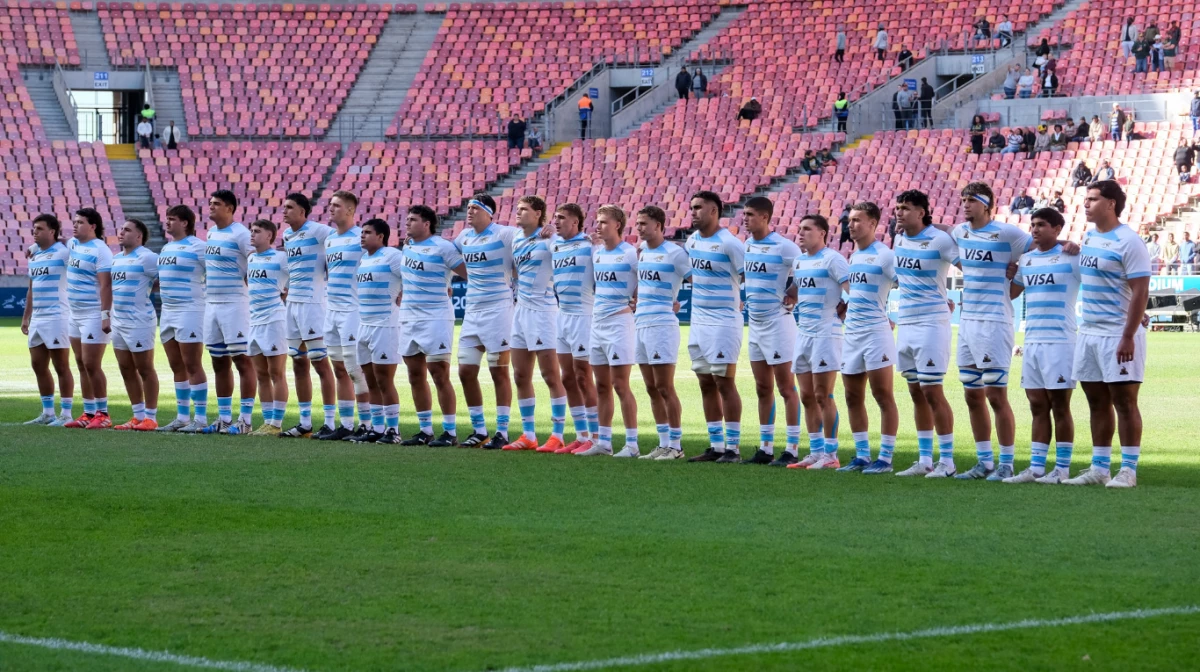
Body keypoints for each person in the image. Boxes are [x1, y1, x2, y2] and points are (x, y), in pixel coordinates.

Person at [1064, 181, 1149, 488]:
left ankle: (1128, 470)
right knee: (1096, 400)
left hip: (1118, 333)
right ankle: (1099, 468)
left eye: (1092, 199)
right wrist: (1073, 246)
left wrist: (1128, 335)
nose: (1085, 204)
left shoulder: (1129, 241)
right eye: (1085, 199)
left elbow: (1141, 290)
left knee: (1124, 401)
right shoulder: (1089, 237)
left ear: (1111, 204)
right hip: (1088, 332)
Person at [951, 182, 1033, 480]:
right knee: (972, 395)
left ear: (987, 205)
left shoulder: (1008, 233)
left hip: (994, 322)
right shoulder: (960, 232)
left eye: (971, 200)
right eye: (963, 200)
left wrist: (1019, 275)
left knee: (996, 396)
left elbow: (1039, 247)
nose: (965, 204)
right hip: (966, 322)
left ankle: (1007, 463)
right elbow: (939, 229)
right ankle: (984, 462)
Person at [1004, 208, 1080, 483]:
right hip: (1033, 341)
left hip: (1061, 341)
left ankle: (1061, 469)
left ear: (1057, 229)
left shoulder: (1072, 257)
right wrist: (1009, 273)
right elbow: (1013, 293)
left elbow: (1100, 281)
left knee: (1060, 405)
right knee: (1036, 404)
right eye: (1033, 225)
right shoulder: (1026, 260)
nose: (1035, 230)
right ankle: (1036, 468)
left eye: (1042, 225)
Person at [892, 190, 959, 478]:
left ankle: (947, 461)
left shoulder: (940, 240)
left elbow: (968, 265)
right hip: (905, 322)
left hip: (931, 324)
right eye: (897, 208)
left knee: (933, 392)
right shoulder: (898, 238)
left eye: (906, 208)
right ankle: (924, 459)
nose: (899, 212)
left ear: (922, 212)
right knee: (915, 392)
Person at [737, 197, 802, 466]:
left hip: (778, 324)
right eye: (744, 214)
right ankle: (765, 448)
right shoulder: (748, 245)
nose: (745, 218)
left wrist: (793, 292)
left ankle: (792, 448)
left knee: (786, 388)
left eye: (750, 214)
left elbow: (807, 268)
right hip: (756, 325)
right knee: (763, 388)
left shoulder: (784, 246)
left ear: (765, 217)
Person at [397, 205, 467, 447]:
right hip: (408, 318)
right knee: (414, 375)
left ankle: (449, 431)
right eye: (407, 219)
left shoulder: (443, 247)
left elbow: (469, 273)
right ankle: (425, 429)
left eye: (413, 219)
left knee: (439, 374)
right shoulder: (407, 246)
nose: (407, 223)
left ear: (427, 224)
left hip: (436, 318)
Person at [503, 196, 569, 452]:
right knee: (520, 375)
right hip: (520, 311)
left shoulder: (550, 239)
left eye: (523, 210)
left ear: (538, 213)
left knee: (551, 375)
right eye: (517, 209)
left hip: (543, 311)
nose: (518, 213)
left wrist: (555, 233)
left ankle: (557, 434)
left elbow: (575, 247)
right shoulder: (516, 238)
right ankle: (529, 434)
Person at [838, 202, 900, 473]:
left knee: (882, 395)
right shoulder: (854, 256)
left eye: (857, 220)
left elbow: (907, 284)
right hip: (852, 332)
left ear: (873, 224)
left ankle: (885, 458)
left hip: (876, 333)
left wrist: (895, 317)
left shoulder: (885, 256)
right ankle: (862, 455)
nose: (851, 225)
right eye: (850, 220)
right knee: (852, 396)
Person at [684, 191, 746, 463]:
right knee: (704, 382)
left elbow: (749, 276)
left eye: (698, 208)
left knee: (725, 382)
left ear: (714, 211)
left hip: (723, 322)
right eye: (692, 208)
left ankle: (733, 448)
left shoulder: (730, 243)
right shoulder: (692, 241)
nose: (693, 212)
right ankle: (716, 446)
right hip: (698, 321)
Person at [453, 194, 518, 450]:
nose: (469, 211)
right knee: (465, 371)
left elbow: (529, 243)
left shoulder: (504, 234)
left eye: (475, 208)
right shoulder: (463, 237)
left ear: (488, 212)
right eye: (467, 207)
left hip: (498, 310)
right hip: (472, 312)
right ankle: (479, 430)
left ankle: (502, 431)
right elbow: (444, 256)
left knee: (498, 371)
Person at [788, 214, 850, 470]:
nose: (800, 233)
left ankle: (831, 454)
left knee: (823, 395)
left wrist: (848, 308)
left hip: (827, 333)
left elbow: (852, 290)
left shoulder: (833, 259)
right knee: (806, 396)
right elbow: (795, 291)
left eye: (807, 229)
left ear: (822, 233)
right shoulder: (799, 261)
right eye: (799, 228)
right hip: (803, 333)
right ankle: (815, 452)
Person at [579, 205, 640, 457]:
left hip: (619, 324)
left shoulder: (630, 254)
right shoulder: (597, 253)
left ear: (617, 225)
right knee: (601, 385)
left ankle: (632, 444)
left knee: (620, 385)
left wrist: (635, 301)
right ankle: (604, 442)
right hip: (598, 324)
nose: (598, 225)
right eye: (597, 221)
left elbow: (644, 282)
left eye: (603, 222)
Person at [632, 205, 691, 460]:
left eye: (644, 223)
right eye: (638, 223)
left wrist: (676, 302)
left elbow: (696, 281)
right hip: (640, 323)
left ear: (658, 225)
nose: (639, 228)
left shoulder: (676, 254)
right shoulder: (642, 252)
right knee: (651, 387)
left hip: (662, 325)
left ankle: (676, 446)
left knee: (665, 386)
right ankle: (663, 443)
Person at [278, 193, 338, 439]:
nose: (285, 211)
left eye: (290, 207)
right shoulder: (286, 235)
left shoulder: (321, 232)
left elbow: (339, 254)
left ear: (303, 212)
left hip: (313, 304)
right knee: (297, 362)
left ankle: (331, 423)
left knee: (320, 363)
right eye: (284, 207)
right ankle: (305, 422)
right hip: (292, 304)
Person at [199, 190, 257, 435]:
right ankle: (224, 418)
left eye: (217, 204)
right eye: (210, 203)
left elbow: (255, 263)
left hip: (235, 303)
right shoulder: (211, 233)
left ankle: (245, 420)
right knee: (218, 361)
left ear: (230, 208)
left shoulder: (241, 234)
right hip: (212, 303)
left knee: (242, 360)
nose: (211, 207)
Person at [549, 203, 600, 454]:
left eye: (561, 218)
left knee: (583, 376)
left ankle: (596, 435)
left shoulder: (590, 246)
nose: (556, 222)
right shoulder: (554, 244)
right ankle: (580, 435)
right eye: (555, 218)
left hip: (583, 316)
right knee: (567, 377)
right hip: (562, 317)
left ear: (576, 223)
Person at [155, 205, 210, 433]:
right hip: (167, 311)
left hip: (190, 310)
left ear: (185, 222)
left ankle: (201, 418)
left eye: (172, 219)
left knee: (192, 364)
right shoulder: (166, 248)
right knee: (176, 365)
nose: (167, 223)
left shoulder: (199, 247)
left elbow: (214, 273)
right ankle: (182, 417)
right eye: (167, 219)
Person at [323, 191, 372, 441]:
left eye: (337, 205)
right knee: (339, 369)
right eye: (330, 204)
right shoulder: (330, 239)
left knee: (355, 370)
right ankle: (346, 424)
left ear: (351, 210)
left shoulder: (360, 237)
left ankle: (366, 424)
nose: (330, 209)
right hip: (331, 311)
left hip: (353, 311)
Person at [351, 218, 405, 444]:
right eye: (362, 232)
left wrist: (403, 294)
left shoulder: (393, 256)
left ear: (381, 236)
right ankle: (377, 427)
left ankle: (393, 430)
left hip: (385, 325)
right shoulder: (364, 259)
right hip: (364, 325)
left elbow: (410, 277)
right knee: (369, 380)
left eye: (367, 232)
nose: (362, 235)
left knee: (384, 380)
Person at [62, 208, 113, 429]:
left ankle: (103, 413)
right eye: (74, 221)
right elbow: (58, 241)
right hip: (75, 314)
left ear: (93, 226)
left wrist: (105, 315)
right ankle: (88, 412)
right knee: (81, 363)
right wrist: (35, 247)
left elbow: (106, 285)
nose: (75, 225)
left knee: (92, 363)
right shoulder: (73, 244)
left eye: (80, 222)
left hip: (93, 313)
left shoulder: (101, 250)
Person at [21, 214, 74, 426]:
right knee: (38, 365)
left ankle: (66, 414)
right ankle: (48, 412)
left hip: (57, 316)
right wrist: (27, 317)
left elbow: (78, 246)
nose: (35, 231)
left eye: (40, 228)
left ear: (52, 231)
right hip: (38, 318)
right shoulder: (34, 257)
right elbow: (31, 289)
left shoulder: (64, 253)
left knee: (61, 365)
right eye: (34, 228)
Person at [109, 219, 160, 431]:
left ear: (139, 236)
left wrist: (146, 290)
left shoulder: (148, 257)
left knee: (145, 368)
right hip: (118, 320)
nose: (121, 233)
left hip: (139, 321)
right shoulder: (116, 259)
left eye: (127, 230)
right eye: (121, 229)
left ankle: (151, 417)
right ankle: (137, 417)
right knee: (126, 368)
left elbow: (165, 279)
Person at [245, 219, 289, 436]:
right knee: (261, 374)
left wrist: (285, 292)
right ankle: (267, 421)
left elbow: (296, 280)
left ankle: (277, 423)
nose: (252, 235)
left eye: (257, 231)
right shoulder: (251, 258)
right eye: (251, 231)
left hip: (274, 320)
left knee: (276, 373)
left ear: (270, 236)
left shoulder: (281, 258)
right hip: (254, 322)